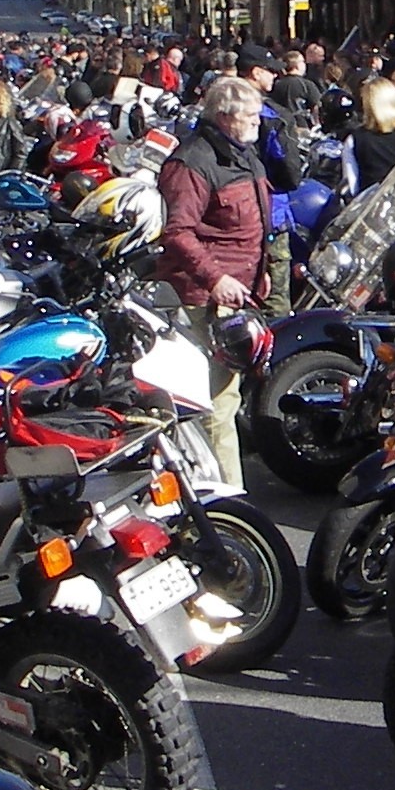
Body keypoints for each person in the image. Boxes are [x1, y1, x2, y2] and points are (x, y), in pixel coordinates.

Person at [156, 76, 270, 487]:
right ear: (224, 117)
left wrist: (260, 271)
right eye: (250, 114)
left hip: (238, 293)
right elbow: (177, 232)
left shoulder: (242, 153)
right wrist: (215, 277)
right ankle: (226, 499)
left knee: (228, 398)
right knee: (217, 404)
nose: (258, 121)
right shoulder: (192, 162)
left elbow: (251, 221)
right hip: (203, 298)